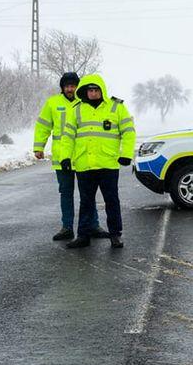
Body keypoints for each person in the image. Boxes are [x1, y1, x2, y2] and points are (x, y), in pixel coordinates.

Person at [60, 73, 136, 249]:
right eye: (89, 90)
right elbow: (68, 136)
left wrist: (126, 153)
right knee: (86, 202)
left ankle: (115, 235)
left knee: (112, 201)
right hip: (84, 164)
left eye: (96, 90)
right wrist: (65, 156)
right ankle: (83, 236)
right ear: (84, 92)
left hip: (108, 163)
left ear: (102, 90)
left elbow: (129, 131)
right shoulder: (77, 110)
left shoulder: (116, 107)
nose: (93, 93)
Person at [33, 72, 107, 241]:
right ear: (62, 88)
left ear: (77, 87)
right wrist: (38, 146)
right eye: (66, 86)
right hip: (62, 159)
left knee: (87, 194)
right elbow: (43, 125)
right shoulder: (53, 103)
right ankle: (67, 227)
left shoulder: (85, 103)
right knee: (65, 193)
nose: (69, 89)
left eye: (73, 86)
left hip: (83, 158)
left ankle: (93, 225)